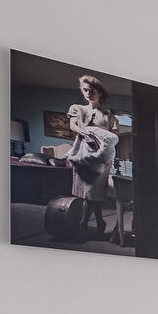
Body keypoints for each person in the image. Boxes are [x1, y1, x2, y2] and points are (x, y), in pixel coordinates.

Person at [66, 74, 122, 242]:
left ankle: (84, 224)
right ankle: (99, 222)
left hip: (101, 158)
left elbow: (113, 137)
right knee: (89, 194)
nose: (88, 94)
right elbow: (73, 126)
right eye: (85, 90)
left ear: (99, 92)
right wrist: (84, 131)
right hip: (83, 155)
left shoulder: (108, 116)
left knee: (93, 192)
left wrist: (98, 134)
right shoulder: (79, 109)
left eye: (92, 90)